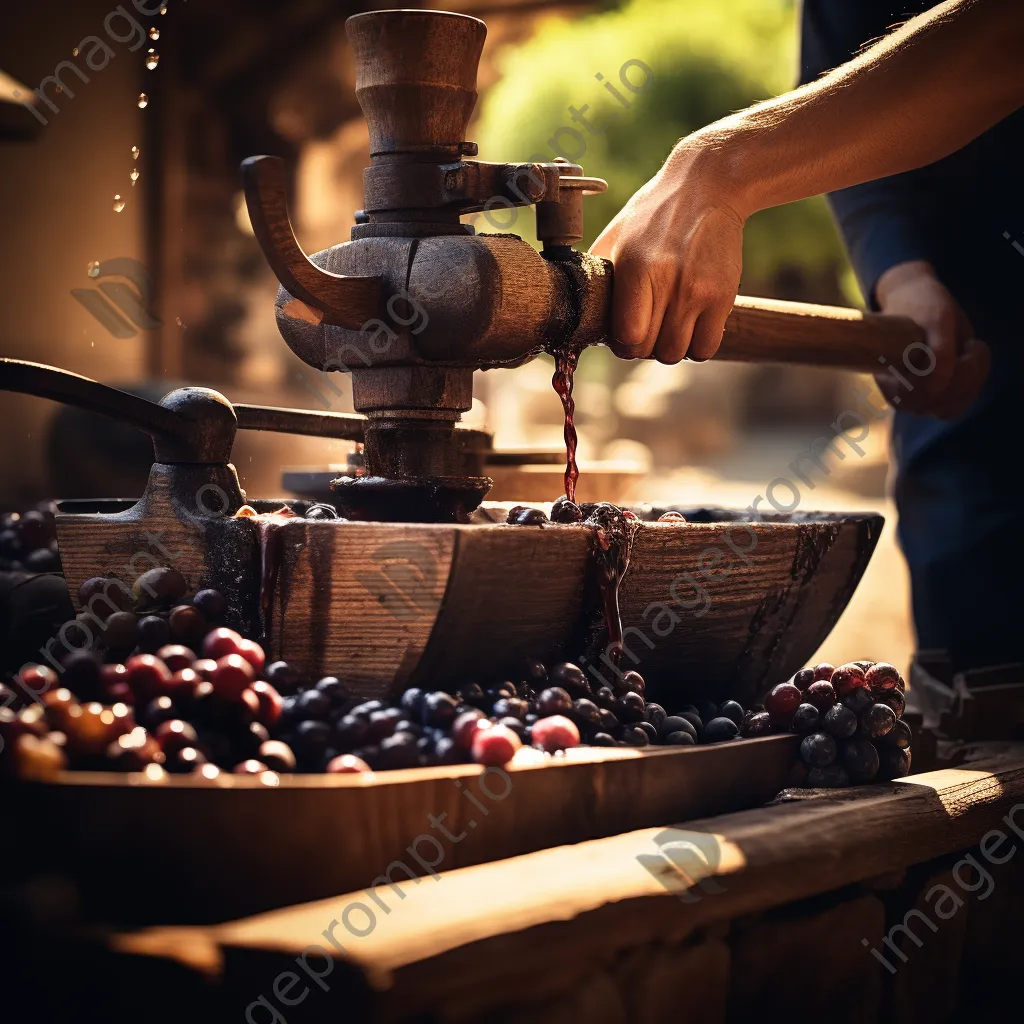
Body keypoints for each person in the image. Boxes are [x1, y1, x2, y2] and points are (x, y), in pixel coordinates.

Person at [591, 0, 1024, 670]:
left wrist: (719, 168)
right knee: (978, 680)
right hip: (961, 367)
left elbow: (1004, 36)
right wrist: (901, 271)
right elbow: (845, 63)